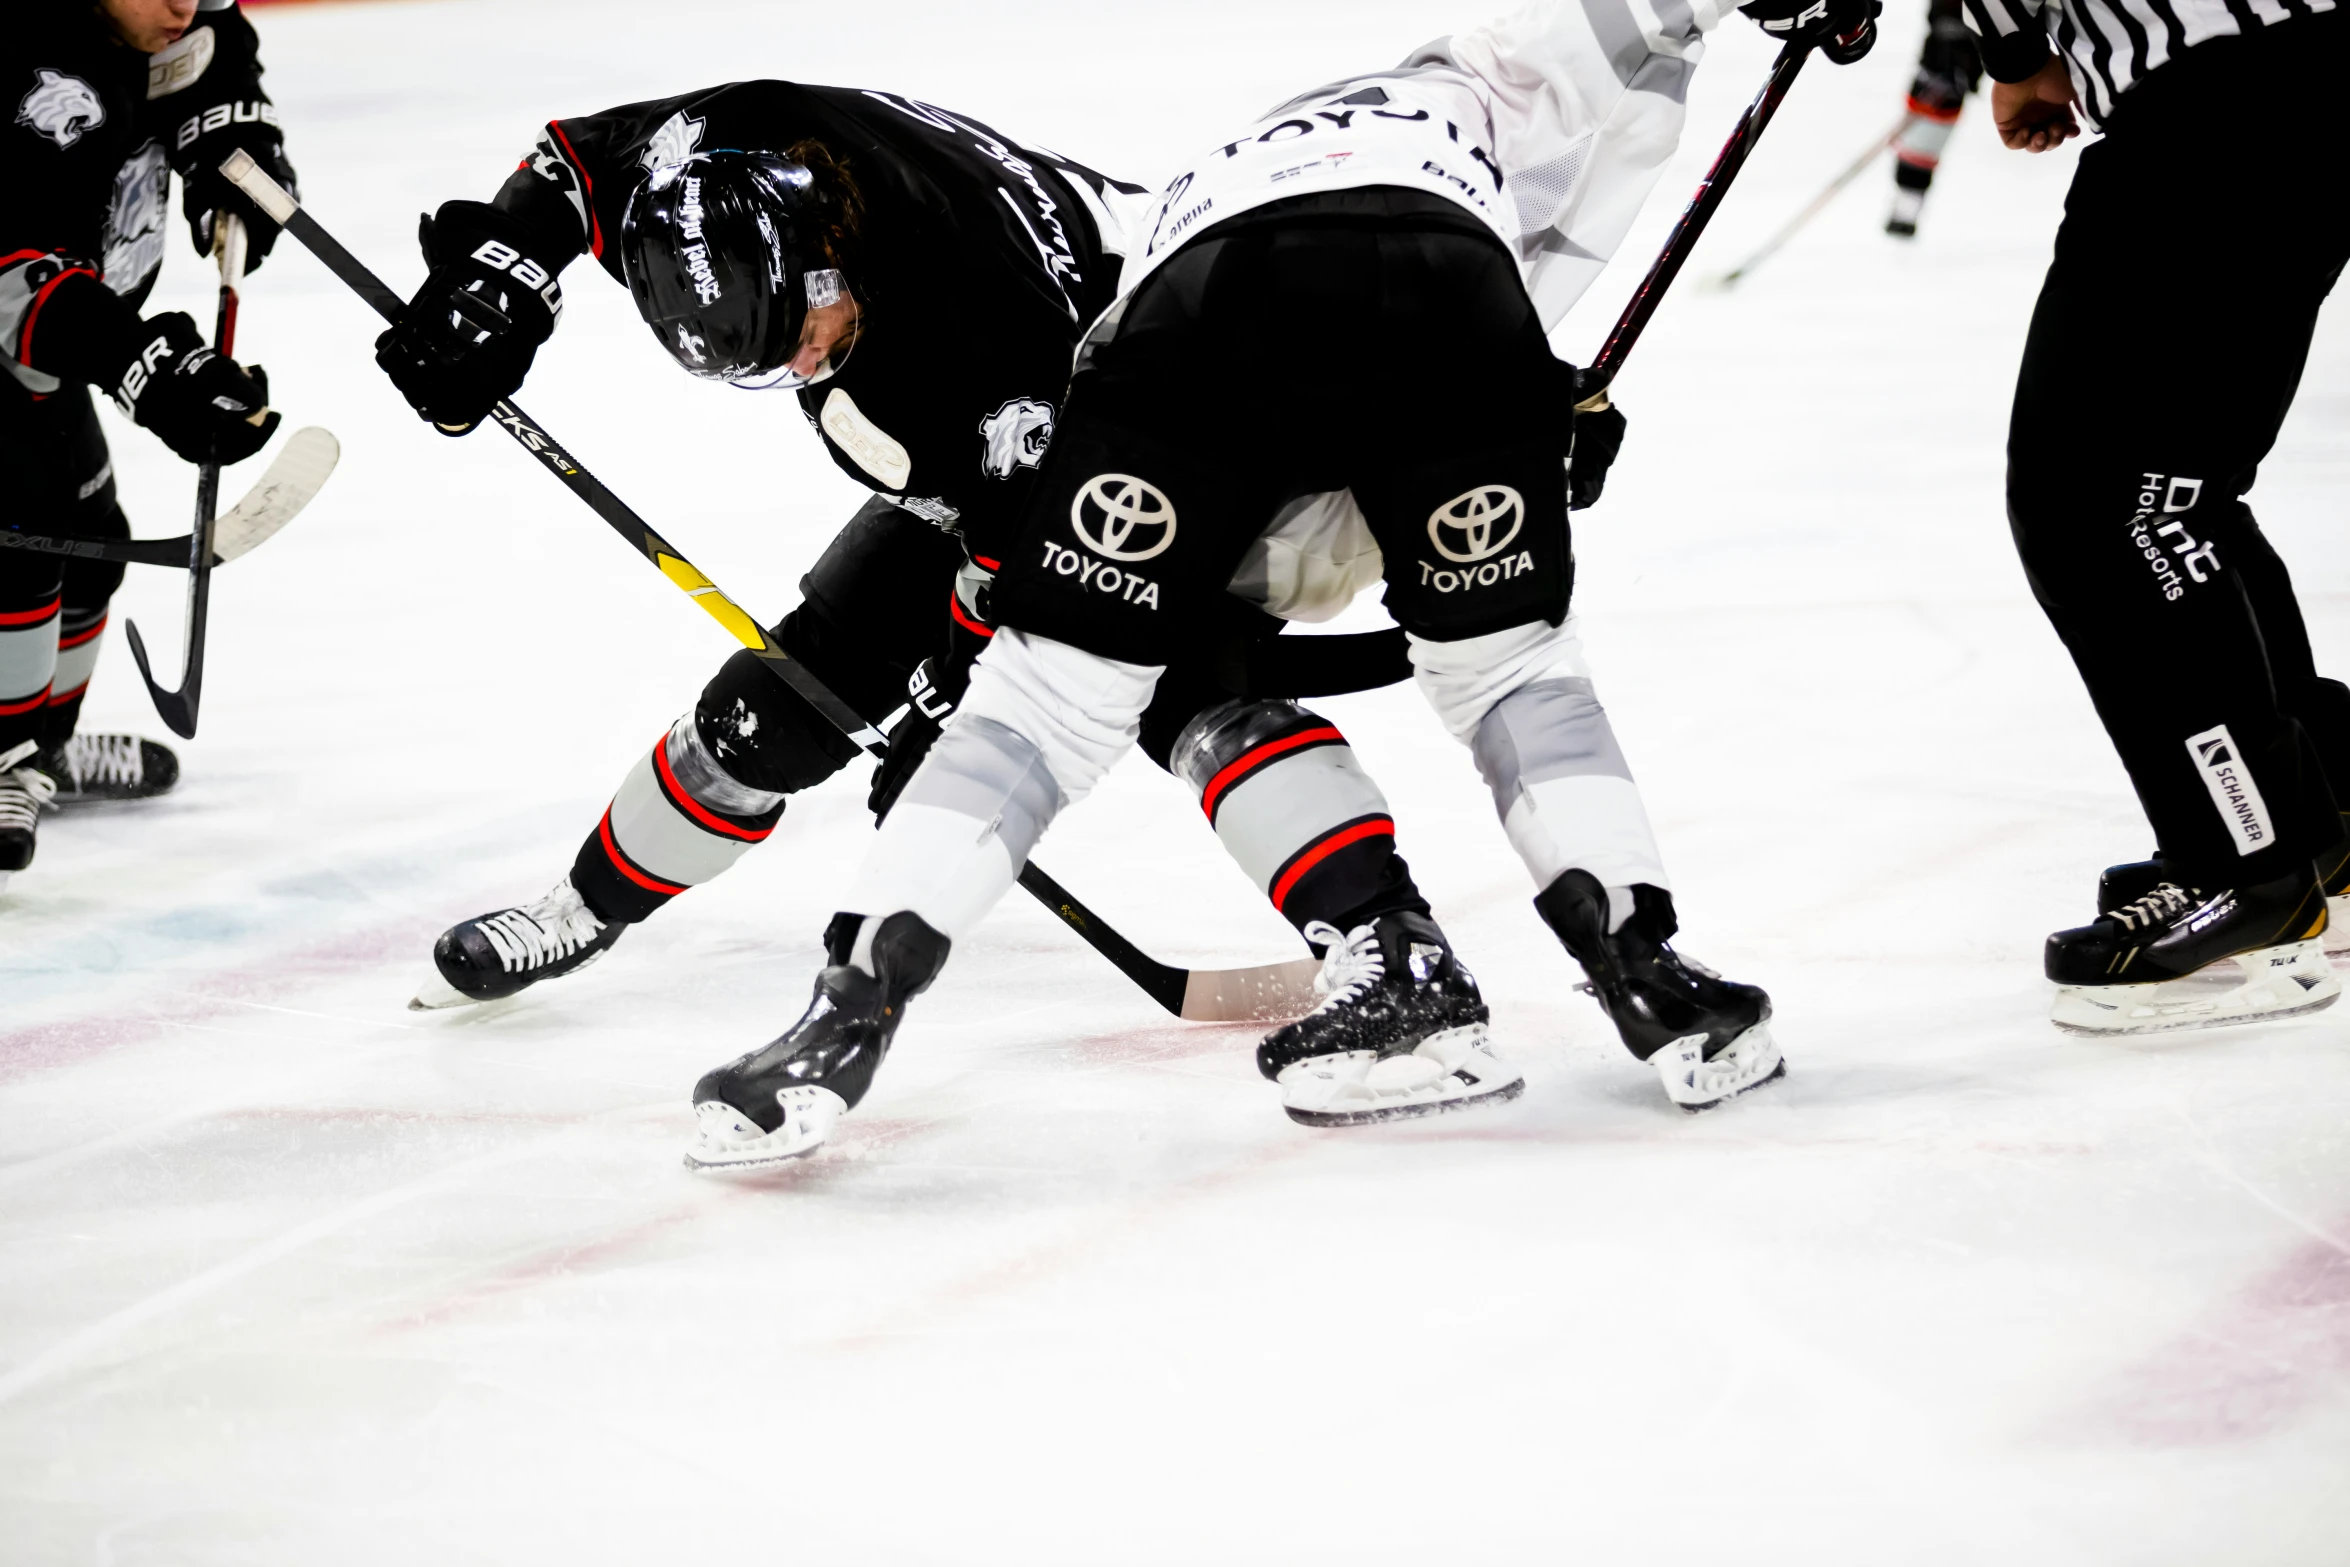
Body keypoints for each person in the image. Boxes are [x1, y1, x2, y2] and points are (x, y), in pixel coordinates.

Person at [684, 0, 1884, 1170]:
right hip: (1444, 294)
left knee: (1046, 704)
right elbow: (1629, 20)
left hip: (1198, 315)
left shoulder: (1223, 168)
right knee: (1512, 668)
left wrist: (1031, 658)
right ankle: (1654, 978)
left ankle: (844, 1018)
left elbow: (1192, 556)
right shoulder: (1470, 75)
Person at [375, 82, 1456, 1023]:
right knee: (782, 710)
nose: (798, 365)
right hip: (988, 450)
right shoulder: (721, 158)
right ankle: (582, 908)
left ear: (833, 258)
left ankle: (1387, 937)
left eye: (800, 332)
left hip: (1166, 410)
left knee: (1178, 689)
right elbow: (570, 166)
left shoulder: (976, 329)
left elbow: (1021, 572)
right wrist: (497, 277)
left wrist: (953, 715)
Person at [1971, 0, 2350, 1032]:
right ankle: (2316, 817)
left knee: (2095, 504)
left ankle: (2247, 869)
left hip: (2217, 107)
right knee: (2178, 491)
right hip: (2300, 72)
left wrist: (2013, 52)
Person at [0, 0, 294, 893]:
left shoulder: (151, 19)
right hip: (15, 334)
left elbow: (216, 49)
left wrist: (228, 144)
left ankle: (34, 750)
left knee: (91, 546)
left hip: (53, 345)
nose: (181, 0)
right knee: (22, 544)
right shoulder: (27, 71)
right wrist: (143, 363)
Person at [1885, 0, 1981, 237]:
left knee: (1922, 151)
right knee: (1915, 151)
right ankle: (1904, 209)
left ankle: (1907, 210)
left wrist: (1964, 76)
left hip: (1946, 96)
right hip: (1929, 86)